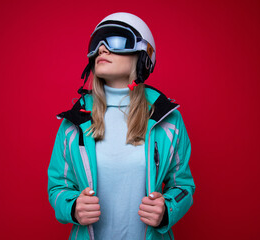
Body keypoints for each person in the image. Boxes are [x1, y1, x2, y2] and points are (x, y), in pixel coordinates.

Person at [48, 12, 196, 240]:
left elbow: (183, 185)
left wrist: (167, 210)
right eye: (97, 43)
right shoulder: (74, 122)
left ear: (143, 55)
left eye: (115, 40)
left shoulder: (168, 120)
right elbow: (58, 186)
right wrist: (73, 207)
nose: (102, 49)